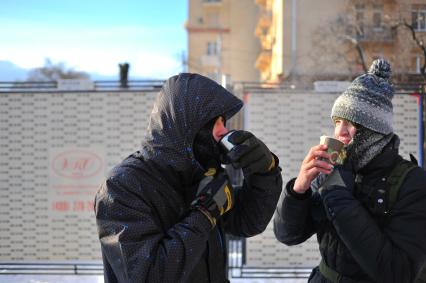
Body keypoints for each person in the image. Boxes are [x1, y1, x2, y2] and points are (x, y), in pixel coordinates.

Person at [95, 73, 283, 283]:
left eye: (224, 121)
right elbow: (148, 276)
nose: (224, 131)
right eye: (216, 121)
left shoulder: (201, 176)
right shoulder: (123, 187)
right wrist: (203, 213)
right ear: (188, 124)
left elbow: (248, 222)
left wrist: (265, 172)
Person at [273, 59, 426, 282]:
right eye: (337, 121)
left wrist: (336, 192)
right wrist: (299, 190)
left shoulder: (412, 183)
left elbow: (397, 272)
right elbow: (288, 235)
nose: (340, 132)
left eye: (350, 122)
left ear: (374, 130)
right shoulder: (338, 169)